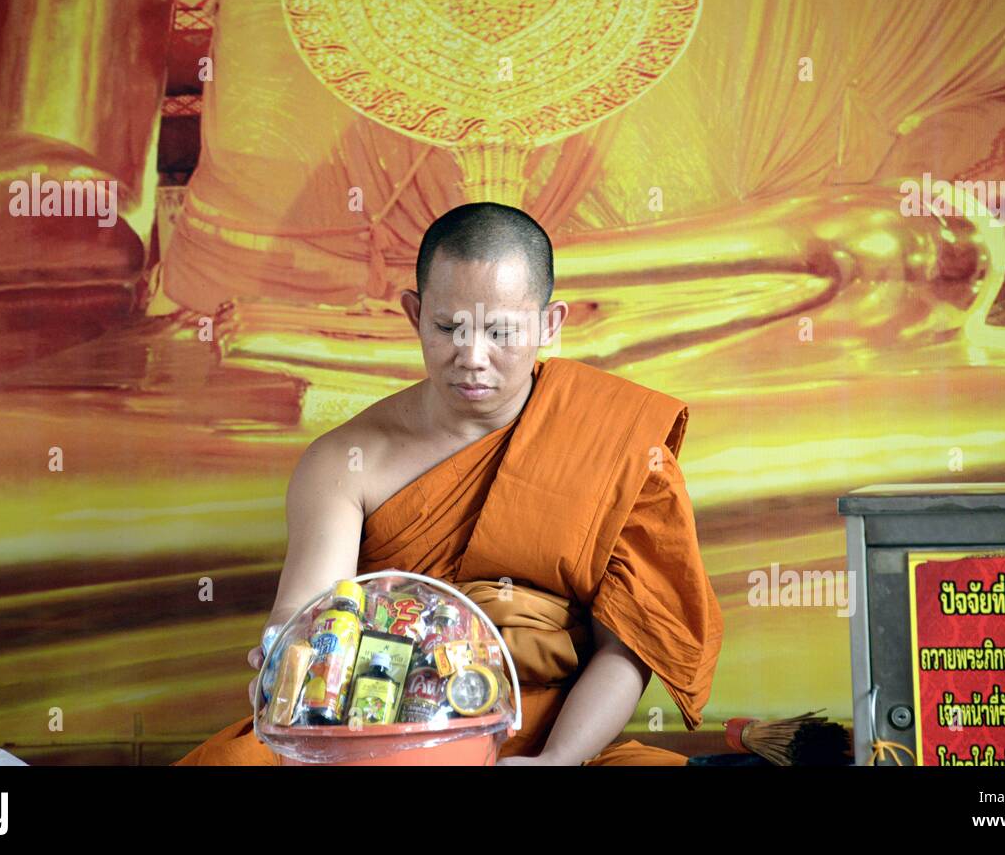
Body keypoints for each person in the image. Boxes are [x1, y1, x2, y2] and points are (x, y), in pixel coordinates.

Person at [175, 202, 723, 765]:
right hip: (375, 735)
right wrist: (286, 664)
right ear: (414, 314)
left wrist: (554, 761)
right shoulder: (345, 461)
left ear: (549, 324)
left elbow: (625, 650)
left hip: (550, 738)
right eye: (448, 327)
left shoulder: (616, 438)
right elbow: (307, 621)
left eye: (501, 331)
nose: (473, 358)